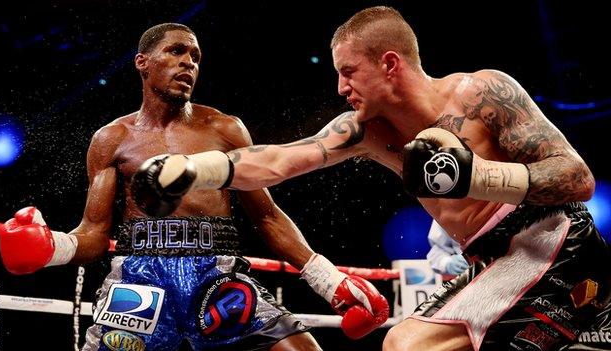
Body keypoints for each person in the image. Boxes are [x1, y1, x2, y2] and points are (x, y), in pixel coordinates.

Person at [137, 7, 611, 351]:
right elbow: (282, 160)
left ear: (389, 63)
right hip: (492, 261)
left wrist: (477, 175)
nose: (340, 87)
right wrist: (193, 170)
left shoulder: (482, 92)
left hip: (553, 243)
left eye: (349, 72)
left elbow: (577, 178)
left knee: (408, 346)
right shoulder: (365, 131)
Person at [0, 23, 389, 350]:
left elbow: (267, 217)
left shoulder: (224, 128)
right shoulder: (111, 139)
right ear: (142, 63)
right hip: (140, 279)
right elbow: (95, 233)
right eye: (176, 52)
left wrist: (329, 280)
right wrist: (52, 249)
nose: (188, 63)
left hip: (216, 275)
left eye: (195, 57)